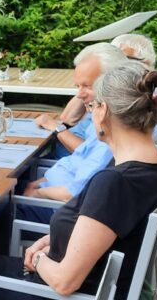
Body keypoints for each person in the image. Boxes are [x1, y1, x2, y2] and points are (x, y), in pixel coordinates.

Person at [0, 63, 157, 300]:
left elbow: (64, 282)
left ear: (103, 111)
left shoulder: (115, 182)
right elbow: (106, 232)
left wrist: (40, 257)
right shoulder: (156, 170)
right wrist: (53, 239)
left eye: (92, 108)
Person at [25, 44, 127, 205]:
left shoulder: (111, 132)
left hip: (55, 207)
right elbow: (79, 158)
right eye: (77, 86)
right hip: (50, 187)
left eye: (87, 86)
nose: (79, 94)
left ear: (114, 82)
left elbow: (73, 193)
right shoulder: (108, 119)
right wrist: (39, 184)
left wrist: (37, 192)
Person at [49, 34, 157, 156]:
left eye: (124, 59)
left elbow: (90, 156)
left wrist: (56, 128)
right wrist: (88, 86)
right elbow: (67, 119)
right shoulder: (101, 100)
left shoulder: (120, 109)